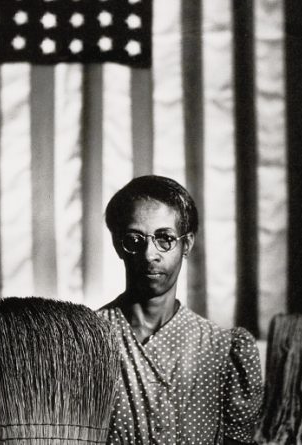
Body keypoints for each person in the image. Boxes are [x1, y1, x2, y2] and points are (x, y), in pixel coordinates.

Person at [98, 175, 263, 445]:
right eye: (134, 239)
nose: (150, 254)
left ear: (187, 244)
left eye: (165, 238)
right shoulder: (88, 339)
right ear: (118, 245)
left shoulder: (222, 349)